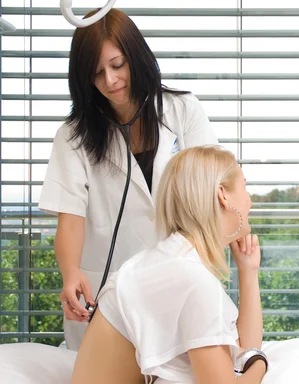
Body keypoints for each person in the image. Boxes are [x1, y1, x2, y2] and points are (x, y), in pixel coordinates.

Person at [38, 8, 218, 350]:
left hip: (180, 281)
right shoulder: (73, 136)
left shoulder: (183, 110)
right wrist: (71, 273)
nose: (110, 81)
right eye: (97, 72)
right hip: (109, 293)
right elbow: (70, 217)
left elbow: (213, 189)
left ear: (136, 56)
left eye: (117, 65)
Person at [70, 145, 266, 384]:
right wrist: (261, 366)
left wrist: (248, 271)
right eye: (245, 187)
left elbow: (243, 348)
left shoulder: (175, 260)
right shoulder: (190, 278)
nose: (250, 201)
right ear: (223, 195)